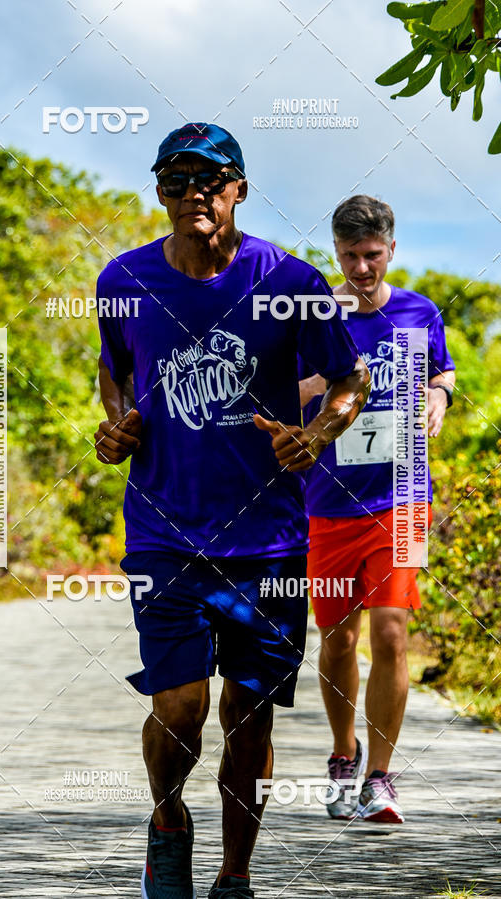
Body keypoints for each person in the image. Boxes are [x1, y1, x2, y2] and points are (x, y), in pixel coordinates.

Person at [94, 123, 370, 898]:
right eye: (175, 183)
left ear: (238, 189)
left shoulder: (288, 280)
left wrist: (318, 433)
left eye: (209, 181)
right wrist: (117, 421)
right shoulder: (124, 278)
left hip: (269, 541)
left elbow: (350, 378)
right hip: (163, 528)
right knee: (179, 705)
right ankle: (169, 817)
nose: (192, 196)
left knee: (249, 715)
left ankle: (235, 876)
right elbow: (114, 369)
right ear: (160, 192)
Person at [299, 195, 456, 824]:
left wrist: (439, 396)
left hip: (403, 496)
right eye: (349, 256)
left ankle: (381, 779)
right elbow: (280, 388)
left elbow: (439, 372)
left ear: (391, 249)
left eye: (372, 255)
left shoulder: (419, 312)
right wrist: (308, 389)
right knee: (338, 640)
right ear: (334, 252)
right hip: (329, 502)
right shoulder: (315, 315)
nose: (361, 269)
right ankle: (344, 757)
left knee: (392, 630)